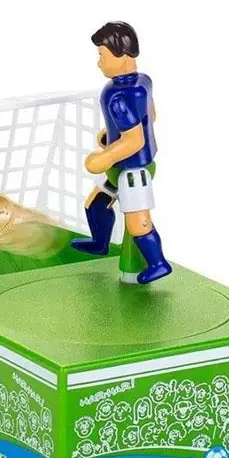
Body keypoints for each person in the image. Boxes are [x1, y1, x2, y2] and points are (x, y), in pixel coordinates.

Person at [72, 21, 172, 284]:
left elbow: (135, 140)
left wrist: (103, 157)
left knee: (137, 221)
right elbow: (150, 115)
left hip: (133, 169)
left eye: (102, 56)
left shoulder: (119, 97)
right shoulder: (143, 82)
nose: (99, 63)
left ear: (123, 56)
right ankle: (99, 243)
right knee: (96, 201)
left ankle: (158, 263)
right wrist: (111, 135)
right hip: (121, 165)